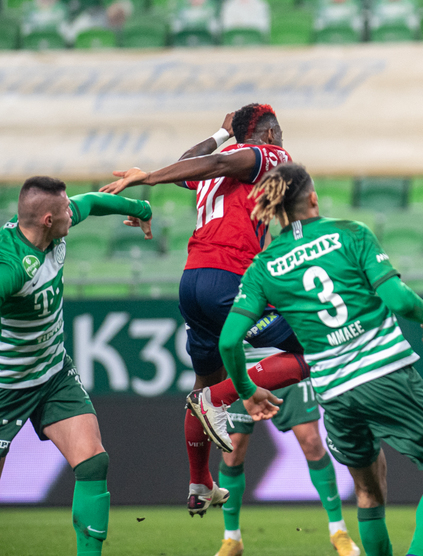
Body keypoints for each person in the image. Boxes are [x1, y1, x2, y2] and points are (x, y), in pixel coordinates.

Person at [98, 105, 354, 553]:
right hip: (230, 282)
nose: (282, 142)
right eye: (278, 133)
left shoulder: (217, 175)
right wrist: (149, 178)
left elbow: (193, 162)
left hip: (192, 282)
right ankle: (219, 401)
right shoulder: (271, 156)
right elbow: (215, 162)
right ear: (269, 135)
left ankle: (199, 482)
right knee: (314, 347)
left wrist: (221, 133)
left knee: (204, 380)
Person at [213, 163, 423, 556]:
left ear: (275, 210)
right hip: (384, 372)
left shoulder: (262, 268)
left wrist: (247, 390)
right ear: (313, 198)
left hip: (333, 392)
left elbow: (229, 341)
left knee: (368, 490)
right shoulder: (351, 233)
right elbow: (398, 299)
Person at [0, 177, 153, 555]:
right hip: (6, 387)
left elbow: (95, 202)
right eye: (66, 209)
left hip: (53, 375)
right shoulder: (12, 267)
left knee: (93, 462)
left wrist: (141, 209)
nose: (73, 212)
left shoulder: (53, 230)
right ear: (48, 219)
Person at [215, 347, 356, 556]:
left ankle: (338, 530)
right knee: (232, 450)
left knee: (311, 441)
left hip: (286, 361)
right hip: (241, 370)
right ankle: (231, 538)